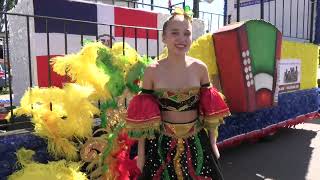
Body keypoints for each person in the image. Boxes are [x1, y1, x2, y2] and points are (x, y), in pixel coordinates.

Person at [126, 7, 230, 180]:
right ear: (164, 38)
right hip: (161, 144)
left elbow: (210, 109)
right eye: (175, 33)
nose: (182, 39)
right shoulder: (152, 71)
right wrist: (142, 153)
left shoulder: (200, 68)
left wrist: (213, 142)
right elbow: (143, 119)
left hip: (197, 141)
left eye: (187, 33)